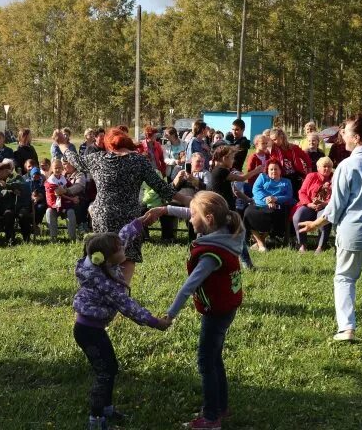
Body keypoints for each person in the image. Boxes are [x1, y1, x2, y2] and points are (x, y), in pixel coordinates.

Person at [299, 114, 362, 346]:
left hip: (355, 234)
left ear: (355, 138)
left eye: (344, 132)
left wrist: (316, 223)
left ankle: (346, 328)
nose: (341, 136)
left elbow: (335, 208)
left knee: (345, 278)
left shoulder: (346, 166)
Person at [58, 127, 191, 284]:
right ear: (127, 142)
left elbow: (76, 160)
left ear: (109, 145)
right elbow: (162, 189)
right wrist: (188, 201)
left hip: (103, 215)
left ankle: (102, 290)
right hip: (129, 218)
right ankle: (122, 292)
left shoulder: (98, 159)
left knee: (103, 255)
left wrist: (62, 144)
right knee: (127, 256)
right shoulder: (139, 161)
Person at [157, 192, 245, 430]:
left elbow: (189, 287)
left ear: (208, 219)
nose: (189, 218)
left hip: (216, 312)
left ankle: (211, 417)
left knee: (206, 361)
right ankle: (222, 407)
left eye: (193, 215)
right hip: (227, 307)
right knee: (215, 358)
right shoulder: (226, 230)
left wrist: (170, 314)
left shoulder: (210, 254)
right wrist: (165, 210)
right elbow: (192, 213)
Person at [72, 226, 171, 430]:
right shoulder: (105, 283)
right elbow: (128, 307)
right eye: (120, 249)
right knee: (105, 372)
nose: (124, 248)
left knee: (110, 367)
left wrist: (140, 222)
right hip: (88, 331)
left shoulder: (100, 262)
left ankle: (107, 409)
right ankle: (96, 420)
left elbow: (122, 237)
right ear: (108, 258)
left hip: (92, 328)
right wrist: (155, 322)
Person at [243, 160, 294, 250]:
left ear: (280, 170)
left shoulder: (286, 182)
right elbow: (256, 190)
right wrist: (267, 200)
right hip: (259, 203)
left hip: (277, 205)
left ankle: (260, 242)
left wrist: (276, 199)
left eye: (276, 169)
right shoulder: (262, 177)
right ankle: (261, 243)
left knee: (273, 214)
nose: (273, 171)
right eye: (271, 169)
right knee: (248, 212)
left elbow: (288, 196)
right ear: (267, 170)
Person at [292, 157, 334, 253]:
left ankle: (320, 246)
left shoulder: (334, 178)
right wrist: (309, 204)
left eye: (329, 167)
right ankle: (302, 244)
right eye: (324, 166)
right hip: (309, 205)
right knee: (298, 216)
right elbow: (302, 192)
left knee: (325, 217)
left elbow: (336, 197)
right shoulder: (311, 176)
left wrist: (324, 204)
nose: (327, 169)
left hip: (325, 206)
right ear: (318, 167)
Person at [0, 158, 31, 243]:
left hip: (20, 205)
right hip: (6, 207)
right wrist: (12, 190)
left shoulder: (17, 177)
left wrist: (7, 186)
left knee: (23, 215)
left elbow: (21, 186)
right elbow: (0, 194)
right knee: (8, 214)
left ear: (6, 171)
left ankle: (27, 239)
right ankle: (10, 239)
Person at [269, 128, 312, 197]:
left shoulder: (293, 148)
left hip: (295, 175)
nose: (274, 142)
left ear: (281, 137)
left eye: (275, 139)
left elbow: (306, 158)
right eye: (272, 140)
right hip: (281, 176)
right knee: (284, 196)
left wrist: (309, 173)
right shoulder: (273, 150)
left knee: (296, 195)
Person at [45, 159, 78, 240]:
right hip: (54, 205)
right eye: (55, 168)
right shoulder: (49, 182)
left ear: (62, 168)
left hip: (64, 205)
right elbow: (59, 193)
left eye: (59, 168)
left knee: (71, 212)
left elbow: (70, 188)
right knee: (49, 212)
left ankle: (72, 238)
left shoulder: (64, 179)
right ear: (52, 169)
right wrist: (72, 199)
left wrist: (76, 196)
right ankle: (53, 237)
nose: (57, 170)